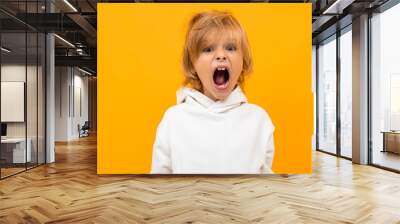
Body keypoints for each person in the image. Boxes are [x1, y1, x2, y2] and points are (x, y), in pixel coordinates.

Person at [151, 11, 275, 174]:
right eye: (208, 49)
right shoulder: (173, 119)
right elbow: (159, 181)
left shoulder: (259, 120)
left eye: (230, 48)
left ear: (243, 62)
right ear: (192, 65)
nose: (221, 55)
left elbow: (265, 183)